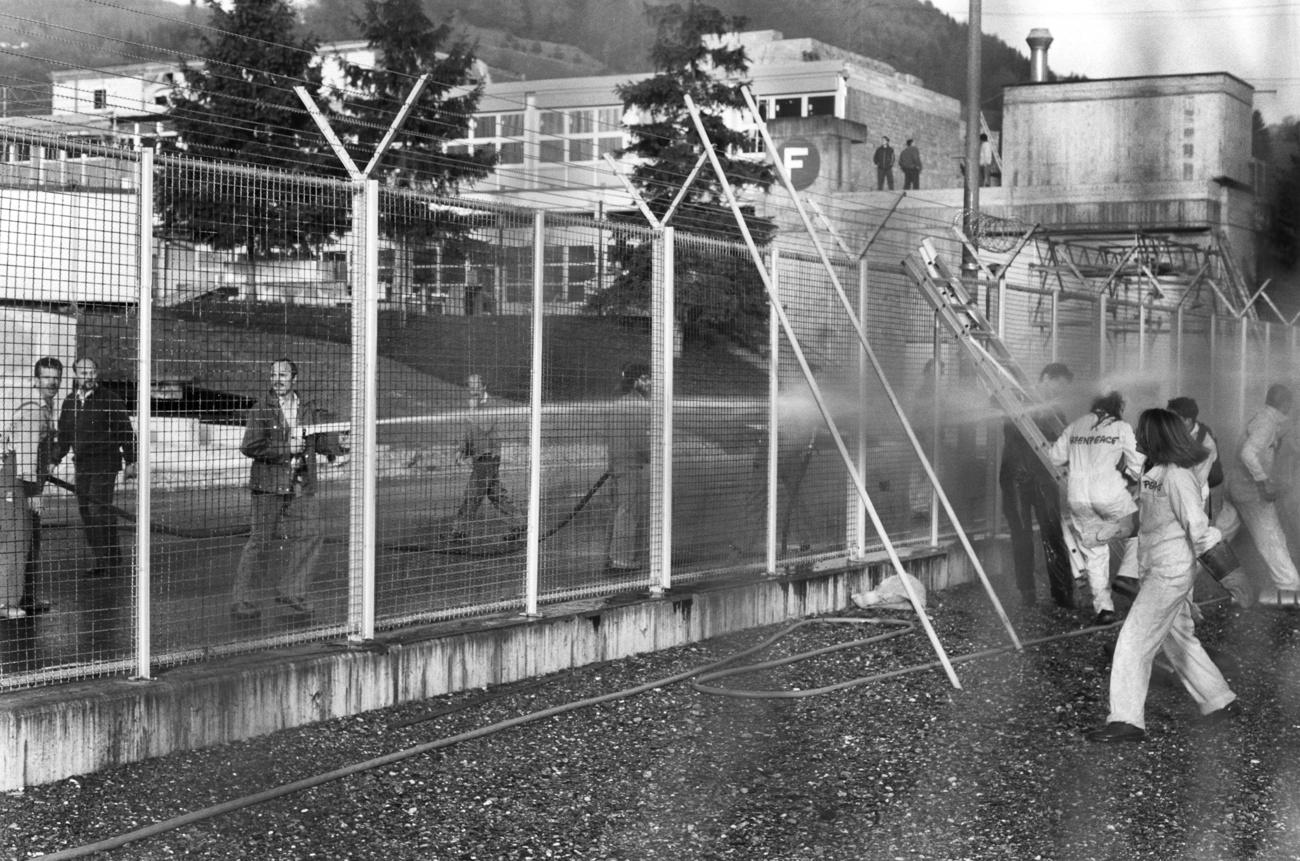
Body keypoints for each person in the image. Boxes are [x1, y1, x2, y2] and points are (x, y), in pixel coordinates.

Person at [1086, 408, 1240, 743]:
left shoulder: (1177, 476)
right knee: (1179, 639)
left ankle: (1126, 721)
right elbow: (1146, 518)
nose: (1137, 436)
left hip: (1169, 575)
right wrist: (1109, 530)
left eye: (1142, 431)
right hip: (1158, 569)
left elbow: (1199, 530)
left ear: (1156, 436)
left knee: (1133, 641)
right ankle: (1220, 700)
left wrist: (1231, 577)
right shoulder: (1152, 471)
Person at [230, 358, 346, 621]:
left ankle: (291, 590)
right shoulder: (262, 409)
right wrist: (287, 450)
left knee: (312, 533)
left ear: (295, 379)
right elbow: (249, 446)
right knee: (260, 542)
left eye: (283, 375)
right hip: (268, 485)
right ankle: (241, 600)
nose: (277, 379)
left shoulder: (308, 409)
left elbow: (320, 442)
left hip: (301, 485)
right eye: (273, 375)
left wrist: (339, 444)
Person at [1050, 391, 1143, 625]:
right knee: (1139, 527)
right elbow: (1137, 464)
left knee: (1094, 551)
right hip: (1109, 493)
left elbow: (1055, 457)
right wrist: (1131, 479)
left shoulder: (1075, 426)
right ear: (1118, 407)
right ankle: (1127, 576)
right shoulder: (1121, 427)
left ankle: (1104, 609)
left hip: (1079, 495)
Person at [53, 357, 137, 578]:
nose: (88, 376)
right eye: (83, 373)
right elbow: (64, 436)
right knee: (87, 512)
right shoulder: (69, 402)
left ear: (97, 373)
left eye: (91, 372)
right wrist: (54, 459)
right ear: (75, 375)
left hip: (105, 463)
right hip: (82, 465)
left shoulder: (110, 400)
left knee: (98, 510)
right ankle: (106, 557)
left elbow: (125, 432)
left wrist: (131, 461)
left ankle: (107, 561)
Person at [1000, 363, 1075, 609]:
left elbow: (1064, 440)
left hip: (1044, 476)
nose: (1058, 394)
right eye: (1057, 387)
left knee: (1052, 531)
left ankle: (1062, 592)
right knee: (1021, 535)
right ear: (1046, 377)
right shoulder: (1016, 397)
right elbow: (997, 403)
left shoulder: (1055, 412)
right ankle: (1027, 593)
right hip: (1016, 476)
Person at [1221, 383, 1300, 604]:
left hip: (1234, 484)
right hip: (1249, 490)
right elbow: (1248, 453)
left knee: (1218, 536)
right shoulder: (1267, 423)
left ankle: (1185, 572)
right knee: (1272, 539)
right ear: (1284, 403)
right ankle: (1289, 588)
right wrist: (1263, 481)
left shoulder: (1262, 418)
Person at [1, 357, 64, 619]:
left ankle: (25, 595)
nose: (52, 382)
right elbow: (26, 452)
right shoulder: (33, 408)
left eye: (56, 378)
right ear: (35, 380)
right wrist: (34, 492)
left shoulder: (44, 406)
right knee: (17, 536)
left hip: (26, 476)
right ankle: (5, 603)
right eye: (46, 377)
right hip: (18, 479)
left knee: (30, 536)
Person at [451, 374, 523, 542]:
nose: (472, 389)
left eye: (475, 385)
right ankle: (518, 524)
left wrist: (472, 411)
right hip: (479, 457)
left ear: (484, 387)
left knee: (472, 495)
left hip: (488, 457)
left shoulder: (491, 405)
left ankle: (458, 531)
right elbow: (469, 432)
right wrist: (461, 450)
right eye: (470, 386)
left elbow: (485, 426)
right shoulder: (474, 407)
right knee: (497, 494)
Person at [605, 362, 651, 575]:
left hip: (617, 464)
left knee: (621, 511)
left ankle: (616, 556)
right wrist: (654, 454)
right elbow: (640, 440)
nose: (649, 383)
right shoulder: (637, 405)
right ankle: (623, 560)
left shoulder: (618, 403)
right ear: (635, 382)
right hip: (631, 465)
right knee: (629, 512)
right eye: (645, 378)